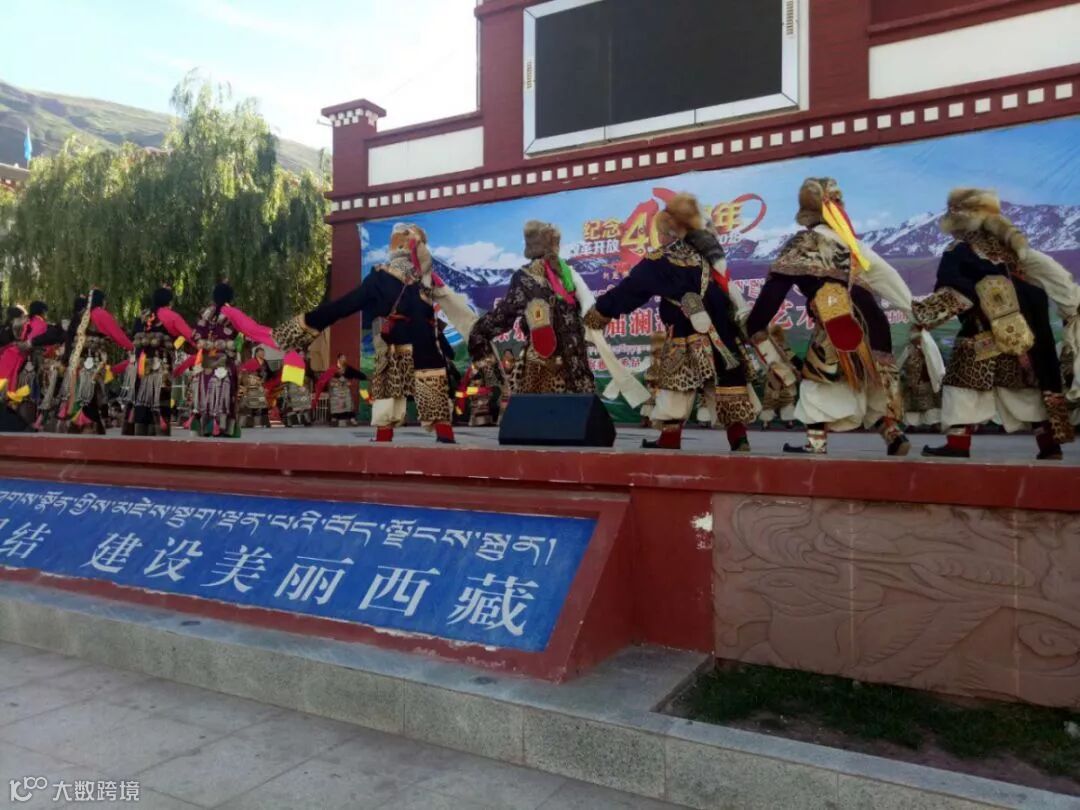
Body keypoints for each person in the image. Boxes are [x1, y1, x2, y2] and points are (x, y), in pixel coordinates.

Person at [746, 178, 915, 455]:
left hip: (838, 320)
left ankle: (816, 444)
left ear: (806, 212)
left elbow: (775, 289)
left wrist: (755, 324)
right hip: (874, 323)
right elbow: (889, 278)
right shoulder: (853, 245)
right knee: (872, 381)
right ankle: (893, 434)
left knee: (819, 382)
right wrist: (915, 312)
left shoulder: (804, 242)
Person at [270, 222, 476, 444]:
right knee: (434, 393)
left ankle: (383, 439)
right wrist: (478, 332)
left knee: (388, 394)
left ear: (395, 247)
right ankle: (445, 436)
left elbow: (345, 305)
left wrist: (305, 324)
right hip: (426, 346)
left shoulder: (380, 277)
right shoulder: (427, 279)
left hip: (394, 346)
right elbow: (459, 310)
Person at [583, 194, 758, 451]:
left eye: (660, 232)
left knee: (677, 385)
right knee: (723, 382)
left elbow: (630, 290)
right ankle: (739, 438)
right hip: (721, 333)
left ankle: (669, 439)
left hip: (685, 333)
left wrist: (599, 313)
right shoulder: (704, 259)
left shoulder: (660, 260)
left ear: (667, 232)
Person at [912, 189, 1074, 459]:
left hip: (981, 336)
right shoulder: (1009, 251)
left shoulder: (958, 251)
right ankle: (1049, 446)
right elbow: (1048, 279)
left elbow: (957, 292)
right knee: (1024, 392)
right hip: (1022, 337)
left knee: (961, 387)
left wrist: (924, 317)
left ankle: (957, 445)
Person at [467, 221, 647, 409]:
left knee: (541, 418)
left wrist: (478, 333)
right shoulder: (568, 273)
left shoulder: (525, 276)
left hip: (543, 366)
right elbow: (591, 314)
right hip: (576, 366)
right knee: (578, 417)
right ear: (555, 245)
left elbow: (503, 317)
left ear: (530, 247)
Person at [56, 290, 134, 434]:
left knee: (86, 397)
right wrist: (132, 348)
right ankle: (89, 428)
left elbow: (69, 339)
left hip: (77, 363)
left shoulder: (80, 316)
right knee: (91, 398)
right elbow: (117, 334)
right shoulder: (99, 313)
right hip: (92, 364)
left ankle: (82, 426)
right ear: (102, 301)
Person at [121, 286, 194, 436]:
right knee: (161, 398)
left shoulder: (142, 316)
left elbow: (133, 336)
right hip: (162, 364)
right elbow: (190, 336)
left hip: (141, 364)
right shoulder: (172, 316)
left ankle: (139, 433)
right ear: (169, 302)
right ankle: (160, 436)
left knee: (141, 397)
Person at [757, 324, 799, 430]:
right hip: (776, 376)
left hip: (782, 377)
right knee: (773, 401)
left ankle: (784, 421)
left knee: (783, 401)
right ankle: (772, 421)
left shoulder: (783, 348)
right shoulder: (768, 347)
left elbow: (790, 360)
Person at [900, 330, 942, 432]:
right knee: (912, 408)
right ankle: (912, 425)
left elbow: (935, 364)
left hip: (926, 384)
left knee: (929, 407)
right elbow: (900, 363)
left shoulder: (929, 348)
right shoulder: (908, 349)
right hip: (912, 384)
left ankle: (932, 424)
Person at [313, 352, 365, 426]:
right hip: (336, 391)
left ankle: (352, 419)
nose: (344, 359)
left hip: (345, 390)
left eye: (345, 358)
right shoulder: (333, 368)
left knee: (348, 404)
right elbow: (326, 379)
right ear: (339, 359)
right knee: (336, 405)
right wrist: (335, 382)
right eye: (343, 358)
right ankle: (335, 419)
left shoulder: (347, 368)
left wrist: (348, 382)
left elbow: (353, 376)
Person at [238, 347, 272, 428]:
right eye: (261, 352)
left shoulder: (265, 362)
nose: (263, 354)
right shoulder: (251, 361)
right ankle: (248, 423)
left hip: (262, 386)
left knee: (263, 405)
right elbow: (244, 373)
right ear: (256, 353)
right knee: (250, 404)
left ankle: (264, 422)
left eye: (263, 352)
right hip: (252, 386)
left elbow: (270, 373)